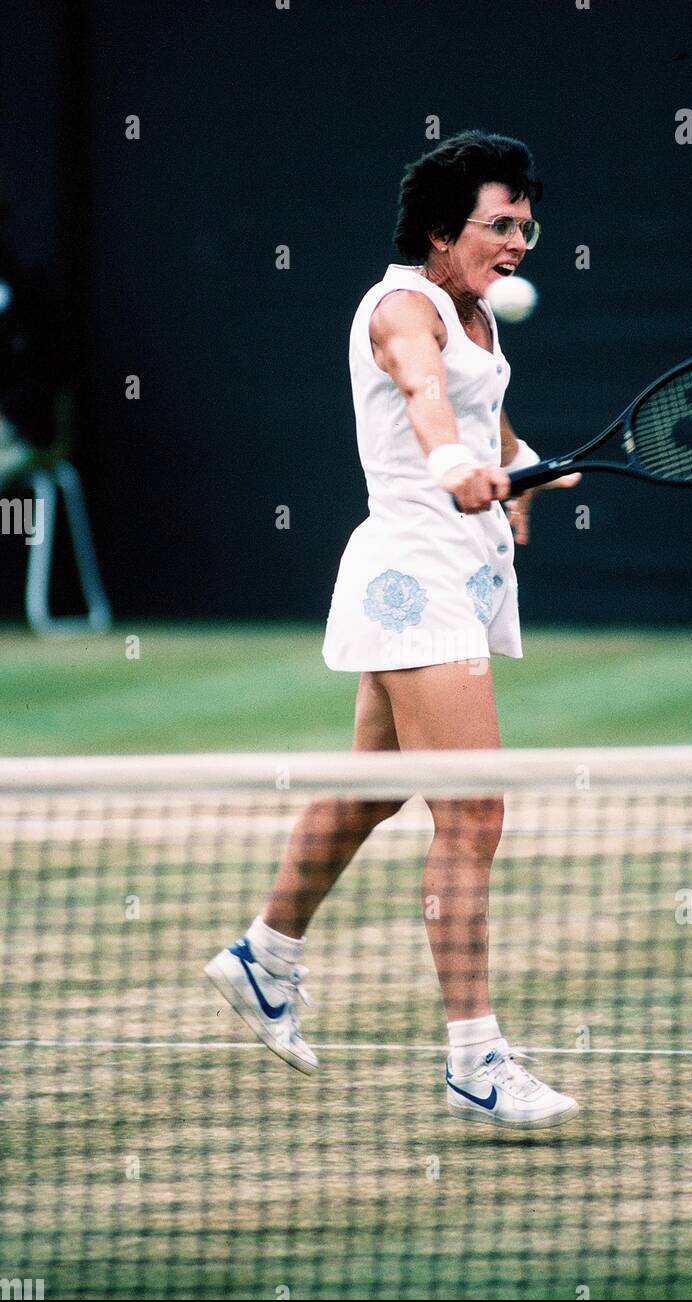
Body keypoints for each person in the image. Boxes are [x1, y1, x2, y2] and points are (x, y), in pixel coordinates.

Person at [206, 130, 580, 1127]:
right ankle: (475, 1060)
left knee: (374, 788)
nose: (520, 240)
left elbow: (475, 398)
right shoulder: (403, 307)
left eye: (524, 223)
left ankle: (262, 956)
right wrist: (455, 464)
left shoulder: (477, 313)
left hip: (453, 571)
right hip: (413, 580)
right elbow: (422, 388)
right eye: (497, 224)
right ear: (437, 229)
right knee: (472, 814)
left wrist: (517, 462)